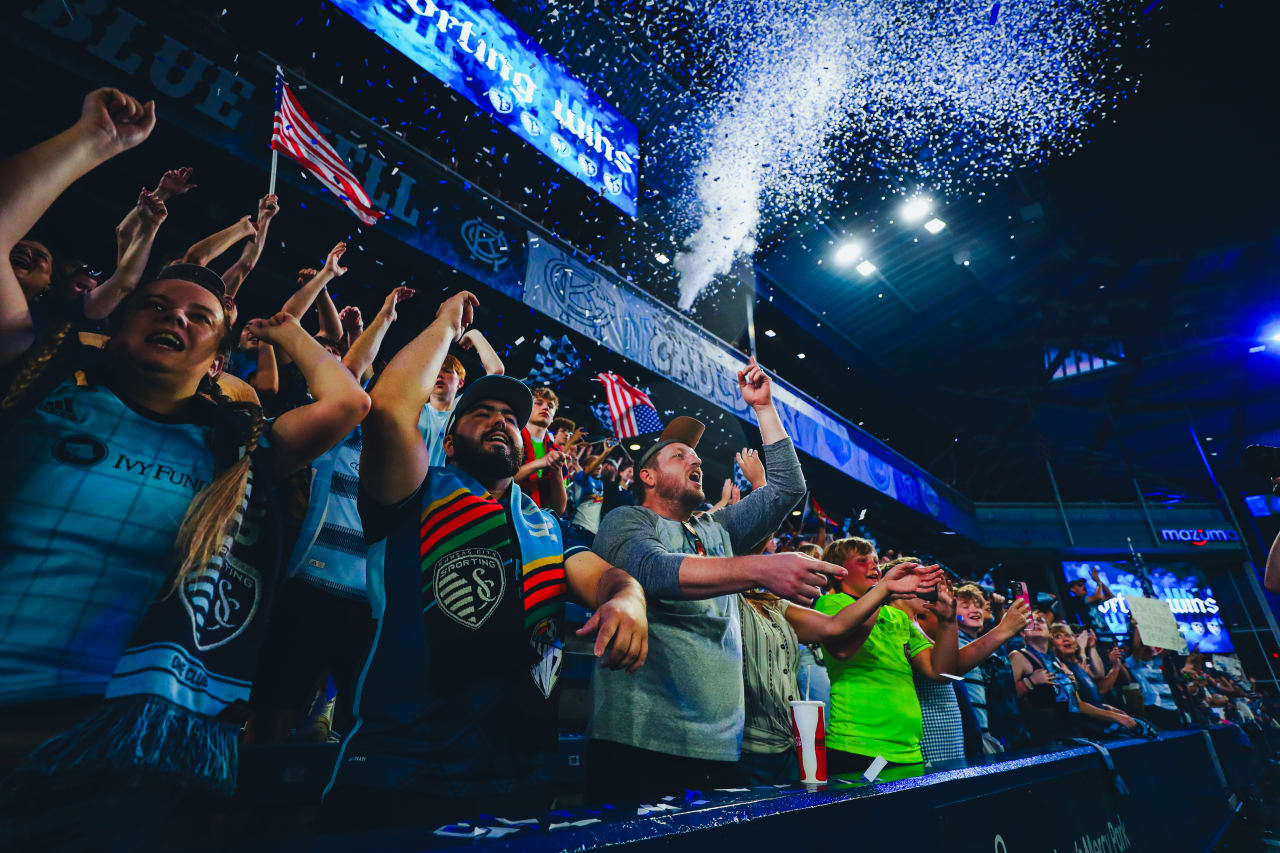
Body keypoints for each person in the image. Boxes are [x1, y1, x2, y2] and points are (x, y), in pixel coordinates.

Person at [0, 88, 371, 846]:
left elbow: (345, 405)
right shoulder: (35, 379)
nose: (176, 316)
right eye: (156, 305)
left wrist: (289, 334)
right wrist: (89, 143)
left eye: (200, 317)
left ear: (217, 357)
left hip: (126, 749)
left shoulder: (234, 450)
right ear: (116, 320)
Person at [324, 290, 648, 828]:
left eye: (510, 417)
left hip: (519, 774)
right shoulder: (412, 492)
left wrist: (629, 599)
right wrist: (445, 324)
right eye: (482, 412)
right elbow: (388, 412)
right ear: (448, 442)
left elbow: (607, 578)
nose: (501, 421)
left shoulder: (547, 526)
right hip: (401, 767)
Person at [587, 357, 840, 803]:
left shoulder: (717, 528)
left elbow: (787, 489)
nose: (695, 460)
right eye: (680, 455)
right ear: (647, 475)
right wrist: (762, 568)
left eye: (698, 457)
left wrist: (763, 409)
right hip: (641, 740)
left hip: (722, 746)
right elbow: (654, 571)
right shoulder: (625, 520)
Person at [250, 284, 415, 743]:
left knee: (358, 726)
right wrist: (384, 317)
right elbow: (353, 370)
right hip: (308, 588)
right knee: (275, 715)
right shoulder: (332, 431)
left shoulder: (400, 451)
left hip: (368, 602)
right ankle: (248, 807)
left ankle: (327, 807)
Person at [738, 559, 943, 784]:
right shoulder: (833, 601)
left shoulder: (775, 604)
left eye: (875, 560)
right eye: (863, 560)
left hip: (788, 747)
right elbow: (841, 643)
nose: (873, 566)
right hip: (752, 746)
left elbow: (942, 670)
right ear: (840, 573)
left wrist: (948, 617)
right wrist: (882, 590)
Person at [1011, 612, 1137, 746]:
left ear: (1048, 632)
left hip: (1069, 736)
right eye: (1031, 621)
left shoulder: (1057, 663)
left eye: (1041, 620)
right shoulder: (1018, 656)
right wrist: (1029, 683)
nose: (1036, 623)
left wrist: (1110, 713)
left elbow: (1078, 704)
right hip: (1043, 741)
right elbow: (1004, 699)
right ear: (1023, 633)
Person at [954, 584, 1029, 752]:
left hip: (1008, 731)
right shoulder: (955, 644)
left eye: (978, 606)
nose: (975, 610)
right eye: (965, 606)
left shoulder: (983, 645)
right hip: (979, 735)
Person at [416, 330, 504, 466]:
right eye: (436, 371)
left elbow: (496, 372)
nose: (439, 375)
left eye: (446, 370)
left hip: (448, 486)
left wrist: (475, 335)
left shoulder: (463, 410)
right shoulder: (416, 408)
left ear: (461, 382)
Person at [1048, 625, 1138, 738]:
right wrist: (1114, 716)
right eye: (1058, 637)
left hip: (1099, 726)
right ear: (1051, 645)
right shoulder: (1061, 668)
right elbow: (1078, 705)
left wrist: (1105, 707)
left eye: (1068, 635)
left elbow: (1090, 694)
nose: (1065, 639)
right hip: (1089, 732)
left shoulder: (1076, 666)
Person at [515, 386, 568, 513]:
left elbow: (558, 509)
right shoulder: (512, 438)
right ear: (527, 408)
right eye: (539, 403)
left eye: (550, 406)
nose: (545, 407)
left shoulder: (557, 455)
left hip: (539, 523)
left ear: (553, 417)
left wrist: (556, 472)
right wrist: (541, 462)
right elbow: (497, 480)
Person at [1125, 617, 1182, 729]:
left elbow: (1169, 647)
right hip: (1155, 705)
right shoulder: (1134, 664)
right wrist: (1137, 627)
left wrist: (1173, 631)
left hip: (1171, 705)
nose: (1152, 649)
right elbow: (1136, 648)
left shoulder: (1155, 662)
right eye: (1148, 648)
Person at [1063, 566, 1114, 632]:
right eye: (1080, 585)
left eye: (1084, 585)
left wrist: (1099, 581)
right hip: (1094, 635)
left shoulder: (1091, 600)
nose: (1084, 587)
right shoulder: (1076, 600)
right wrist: (1097, 581)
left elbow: (1110, 596)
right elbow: (1098, 596)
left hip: (1107, 633)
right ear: (1072, 589)